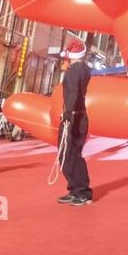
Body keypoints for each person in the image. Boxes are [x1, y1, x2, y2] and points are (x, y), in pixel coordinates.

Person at [55, 40, 93, 206]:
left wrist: (67, 114)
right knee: (73, 154)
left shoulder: (72, 72)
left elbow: (73, 93)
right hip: (81, 116)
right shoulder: (85, 69)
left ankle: (82, 191)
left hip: (73, 117)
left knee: (67, 154)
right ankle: (77, 189)